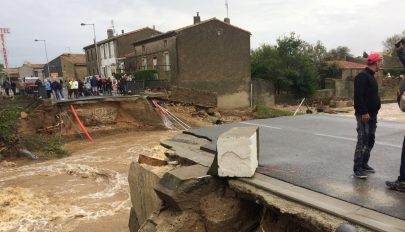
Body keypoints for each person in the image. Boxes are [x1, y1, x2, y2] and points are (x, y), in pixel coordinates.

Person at [352, 53, 383, 179]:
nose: (381, 64)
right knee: (362, 140)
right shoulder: (362, 76)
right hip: (364, 115)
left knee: (370, 140)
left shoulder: (371, 76)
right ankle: (357, 168)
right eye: (381, 61)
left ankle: (364, 164)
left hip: (372, 115)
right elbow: (358, 96)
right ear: (376, 62)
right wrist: (364, 112)